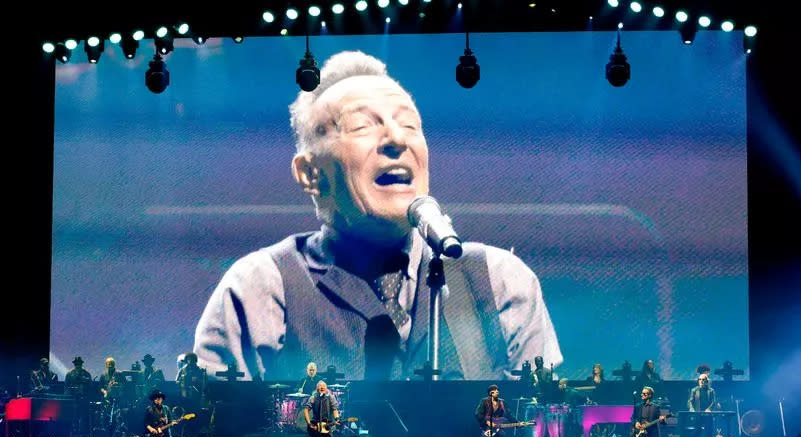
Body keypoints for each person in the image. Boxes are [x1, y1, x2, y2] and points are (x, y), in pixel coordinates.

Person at [193, 50, 563, 381]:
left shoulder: (499, 281)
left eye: (409, 126)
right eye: (362, 126)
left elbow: (537, 431)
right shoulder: (261, 288)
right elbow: (220, 432)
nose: (395, 140)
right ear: (310, 173)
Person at [686, 372, 717, 437]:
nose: (702, 381)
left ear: (707, 381)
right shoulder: (694, 390)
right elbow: (690, 402)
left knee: (709, 435)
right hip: (698, 416)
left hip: (708, 416)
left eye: (704, 380)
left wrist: (709, 409)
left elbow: (714, 402)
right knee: (695, 434)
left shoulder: (711, 391)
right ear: (698, 381)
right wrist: (692, 410)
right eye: (700, 379)